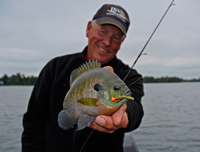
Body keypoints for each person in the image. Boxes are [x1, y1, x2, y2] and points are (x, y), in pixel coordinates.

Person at [22, 4, 144, 152]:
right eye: (103, 31)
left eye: (116, 37)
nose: (107, 42)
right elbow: (33, 120)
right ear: (88, 29)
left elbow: (135, 108)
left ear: (122, 42)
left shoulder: (130, 76)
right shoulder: (55, 68)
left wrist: (125, 113)